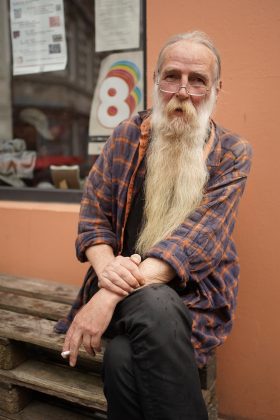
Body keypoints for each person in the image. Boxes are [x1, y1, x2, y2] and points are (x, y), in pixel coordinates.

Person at [58, 31, 252, 419]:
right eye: (172, 76)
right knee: (152, 307)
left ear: (216, 88)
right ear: (156, 81)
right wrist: (107, 270)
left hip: (192, 297)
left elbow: (197, 240)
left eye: (197, 80)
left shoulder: (233, 153)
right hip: (127, 286)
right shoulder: (127, 135)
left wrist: (106, 296)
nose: (182, 91)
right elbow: (93, 217)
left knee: (120, 355)